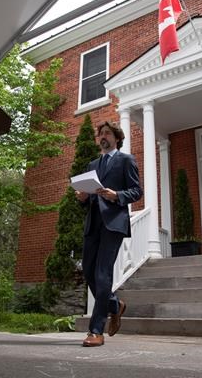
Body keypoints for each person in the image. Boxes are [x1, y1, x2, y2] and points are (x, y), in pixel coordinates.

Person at [75, 121, 143, 347]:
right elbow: (89, 192)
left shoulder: (126, 160)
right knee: (88, 270)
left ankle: (96, 331)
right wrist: (83, 197)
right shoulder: (93, 164)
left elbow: (136, 191)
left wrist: (116, 195)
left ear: (117, 137)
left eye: (107, 133)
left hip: (114, 222)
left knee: (103, 273)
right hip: (93, 222)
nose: (102, 136)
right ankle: (114, 305)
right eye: (100, 134)